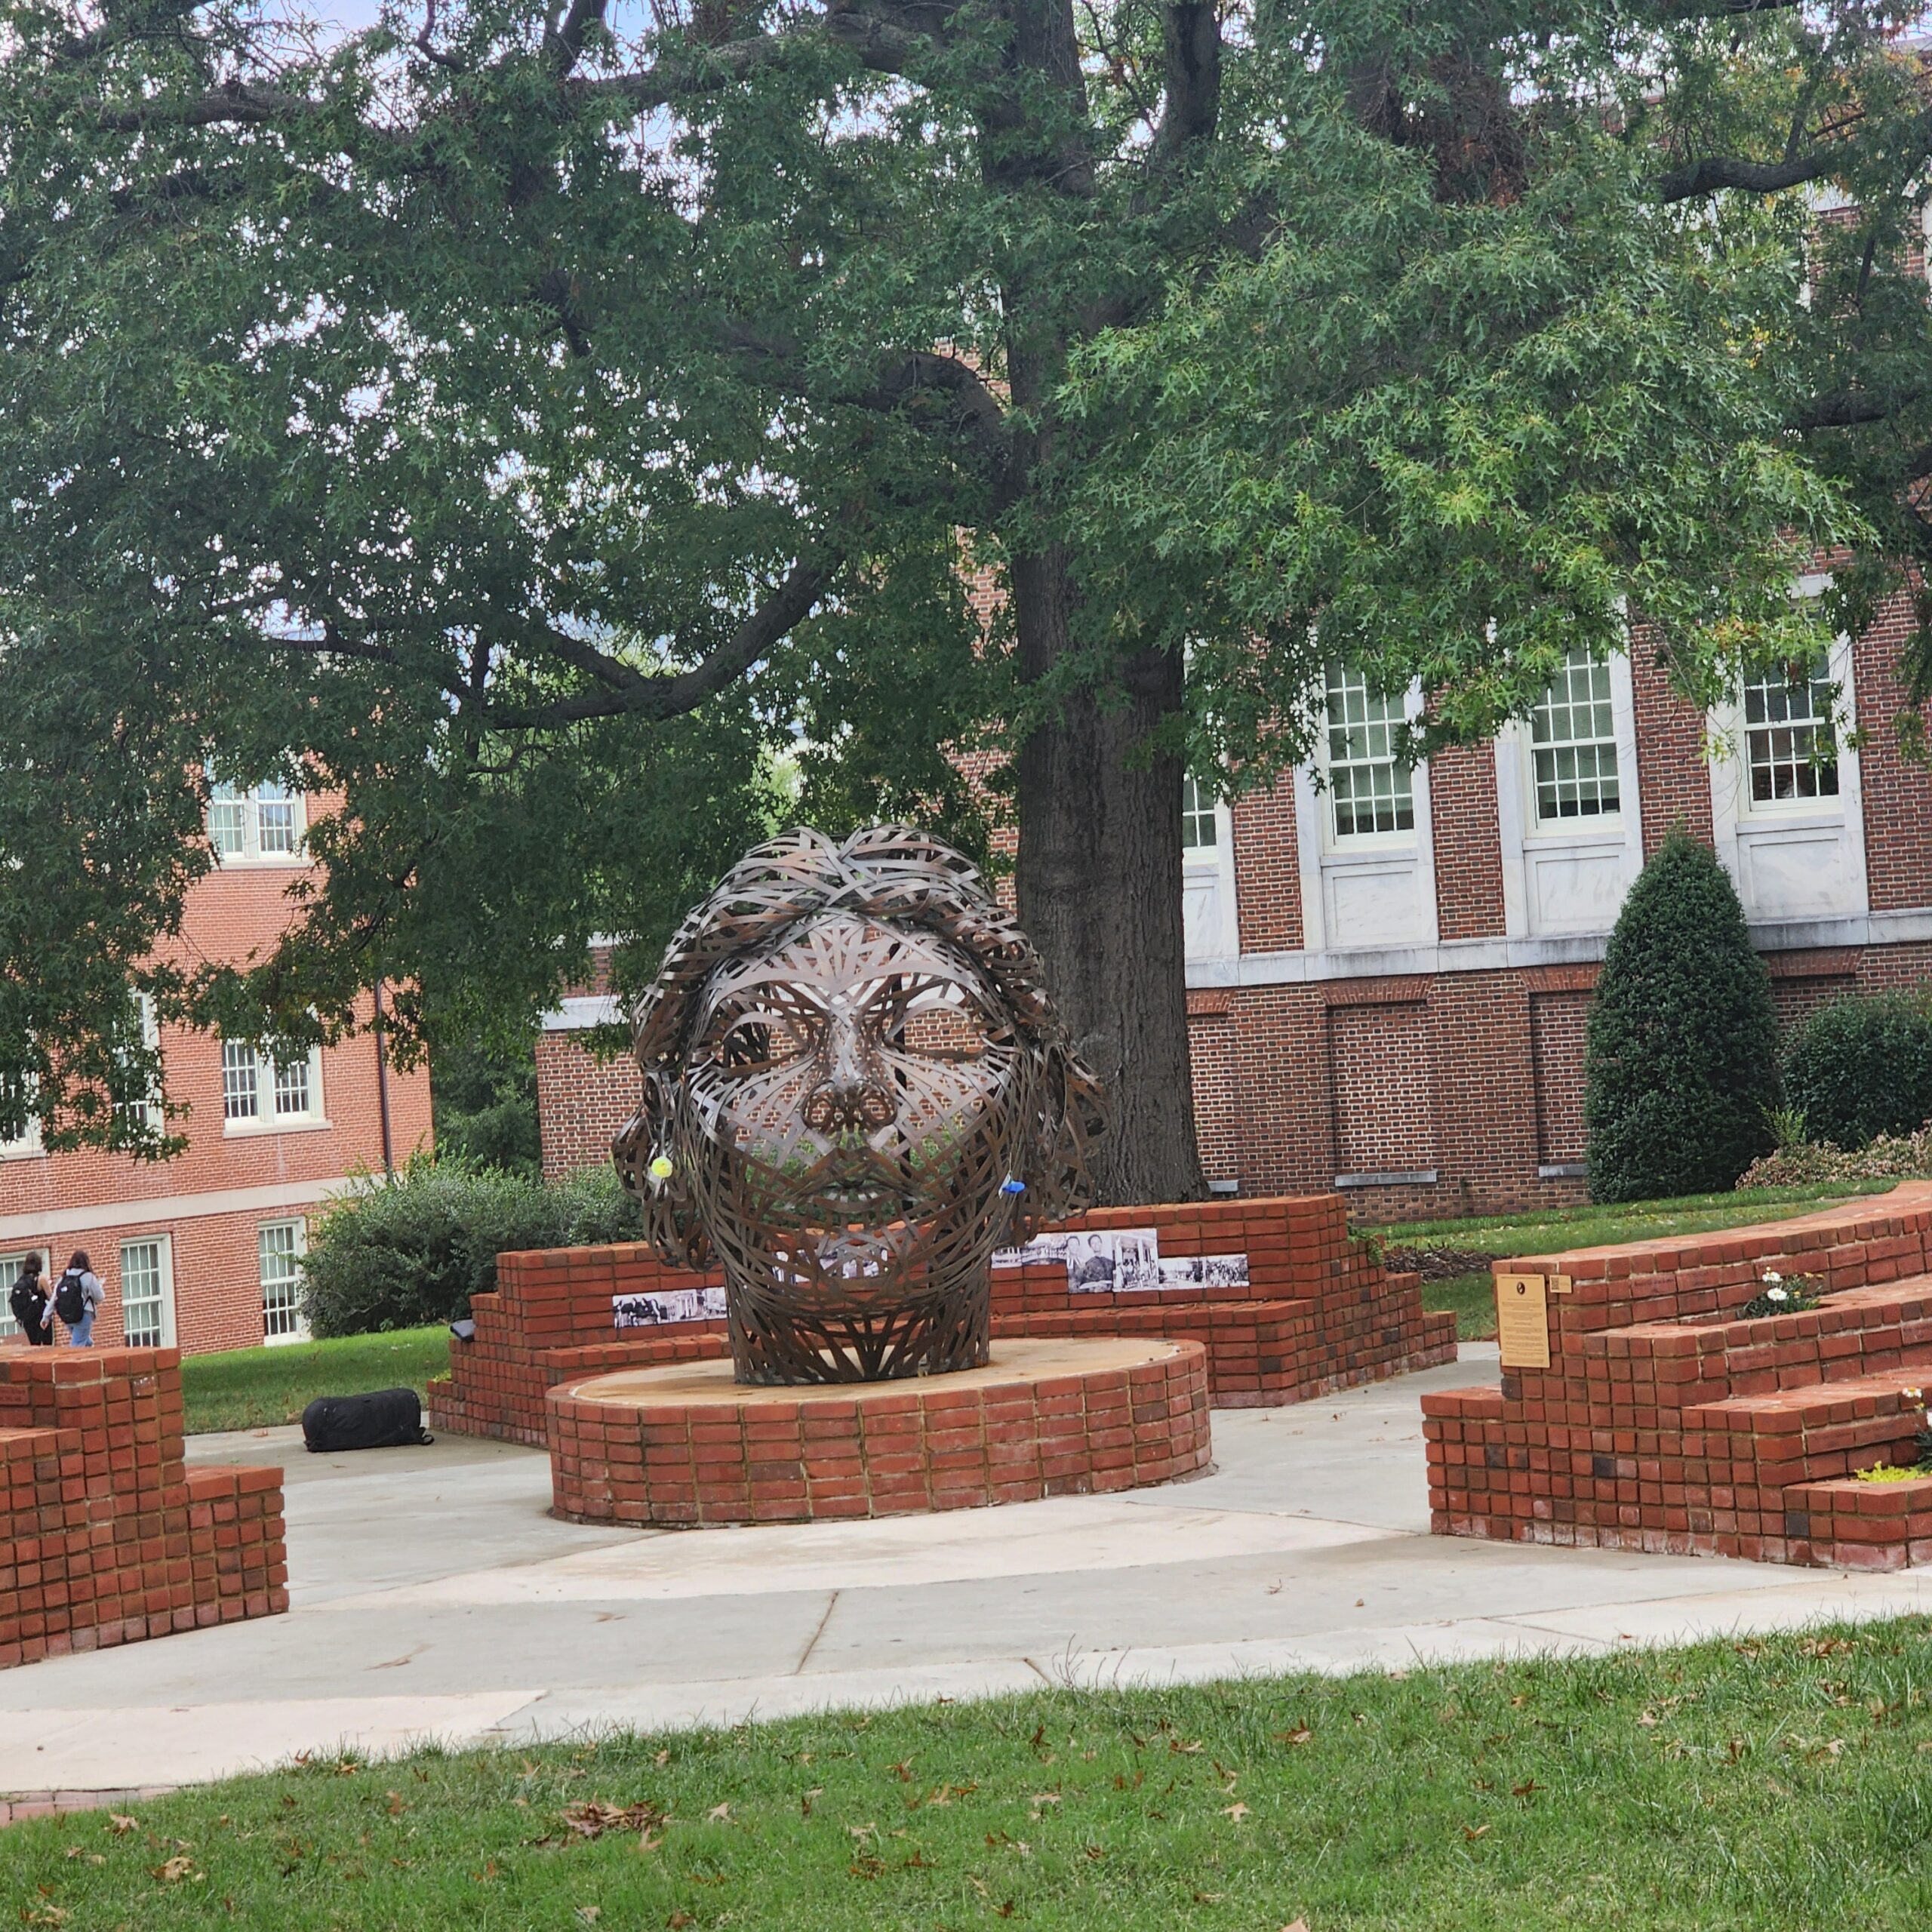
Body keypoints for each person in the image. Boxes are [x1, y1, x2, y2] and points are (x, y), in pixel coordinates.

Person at [52, 1251, 105, 1348]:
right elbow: (99, 1297)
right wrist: (100, 1286)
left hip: (67, 1317)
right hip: (83, 1315)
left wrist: (46, 1316)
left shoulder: (64, 1277)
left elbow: (54, 1297)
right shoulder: (88, 1277)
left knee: (85, 1341)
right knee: (77, 1345)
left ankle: (90, 1351)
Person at [7, 1255, 52, 1347]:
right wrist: (49, 1285)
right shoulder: (41, 1279)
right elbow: (51, 1298)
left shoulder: (22, 1280)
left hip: (28, 1319)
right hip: (41, 1317)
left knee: (34, 1345)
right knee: (47, 1347)